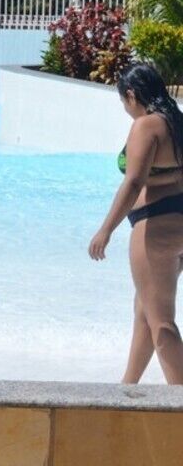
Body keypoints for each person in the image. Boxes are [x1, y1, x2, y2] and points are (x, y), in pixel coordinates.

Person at [89, 63, 183, 384]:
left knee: (162, 323)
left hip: (154, 226)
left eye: (124, 102)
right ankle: (127, 389)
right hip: (178, 221)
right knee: (144, 312)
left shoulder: (146, 126)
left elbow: (133, 182)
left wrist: (106, 229)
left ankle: (178, 409)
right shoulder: (177, 123)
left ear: (131, 95)